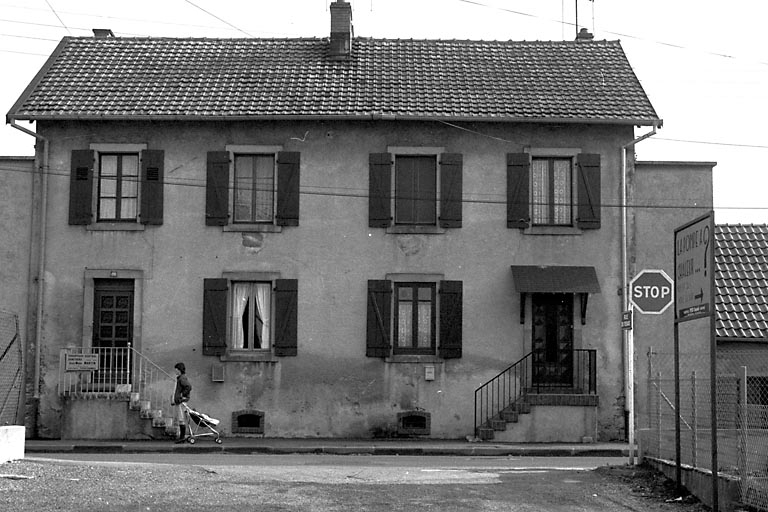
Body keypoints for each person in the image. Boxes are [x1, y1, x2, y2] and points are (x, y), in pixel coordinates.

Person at [171, 362, 192, 442]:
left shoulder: (182, 378)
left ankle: (182, 437)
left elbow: (188, 387)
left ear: (179, 370)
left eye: (176, 369)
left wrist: (182, 395)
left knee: (181, 418)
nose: (175, 371)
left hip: (181, 401)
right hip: (179, 401)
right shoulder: (180, 378)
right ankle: (182, 436)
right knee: (180, 418)